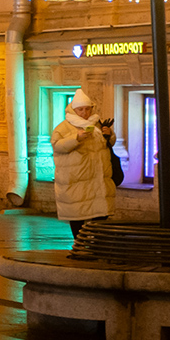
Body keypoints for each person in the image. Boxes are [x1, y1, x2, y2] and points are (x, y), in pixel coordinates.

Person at [51, 91, 117, 251]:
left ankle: (97, 245)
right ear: (74, 110)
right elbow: (57, 145)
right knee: (77, 213)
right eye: (81, 109)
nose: (85, 113)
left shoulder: (97, 124)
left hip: (97, 178)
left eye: (87, 109)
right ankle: (80, 244)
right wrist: (76, 139)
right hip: (76, 179)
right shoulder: (64, 127)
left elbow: (108, 144)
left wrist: (110, 135)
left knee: (100, 213)